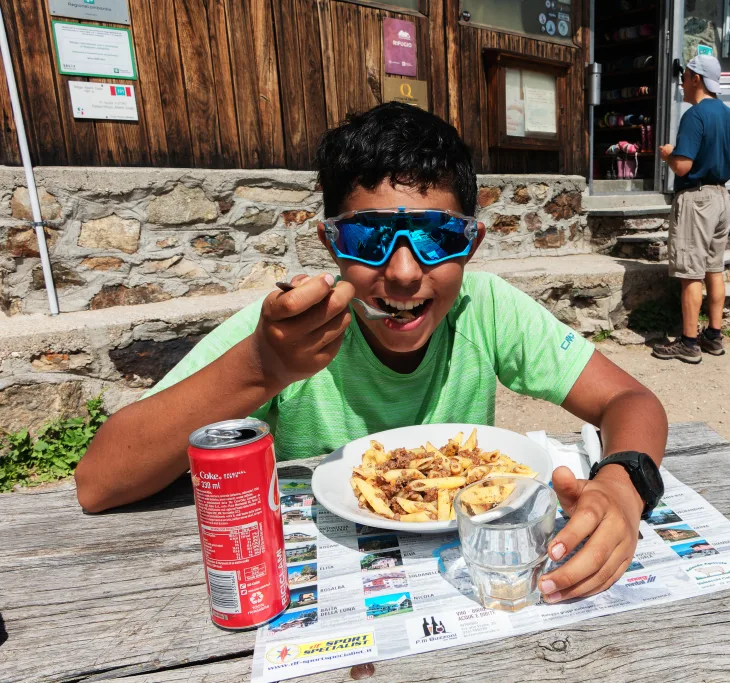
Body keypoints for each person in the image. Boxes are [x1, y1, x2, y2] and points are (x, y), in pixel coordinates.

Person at [75, 102, 669, 604]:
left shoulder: (486, 307)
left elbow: (629, 398)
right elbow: (99, 484)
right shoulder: (293, 330)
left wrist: (625, 480)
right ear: (330, 242)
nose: (405, 273)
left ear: (472, 243)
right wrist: (263, 368)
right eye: (368, 238)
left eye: (438, 237)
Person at [653, 54, 730, 364]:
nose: (681, 81)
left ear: (696, 79)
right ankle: (714, 337)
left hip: (696, 197)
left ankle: (689, 342)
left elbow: (682, 166)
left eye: (685, 75)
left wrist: (667, 154)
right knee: (713, 268)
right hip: (720, 197)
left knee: (690, 272)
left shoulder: (694, 116)